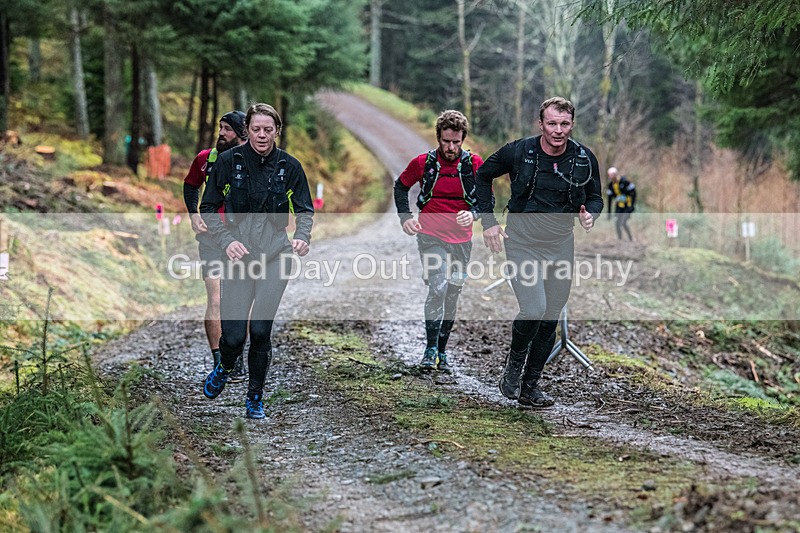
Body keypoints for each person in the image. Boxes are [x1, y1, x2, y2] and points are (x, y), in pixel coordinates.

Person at [475, 96, 603, 408]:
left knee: (550, 319)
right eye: (552, 124)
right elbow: (482, 176)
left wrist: (591, 214)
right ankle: (514, 366)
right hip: (522, 242)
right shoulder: (519, 151)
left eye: (564, 124)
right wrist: (488, 223)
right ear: (541, 124)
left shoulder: (584, 158)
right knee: (534, 308)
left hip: (560, 244)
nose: (558, 130)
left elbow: (596, 197)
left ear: (572, 124)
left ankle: (530, 386)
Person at [199, 103, 314, 419]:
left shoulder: (290, 166)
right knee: (234, 338)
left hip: (276, 256)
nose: (262, 135)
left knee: (261, 330)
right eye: (256, 129)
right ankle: (225, 365)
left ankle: (255, 398)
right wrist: (227, 241)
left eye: (268, 129)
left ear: (277, 131)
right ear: (247, 130)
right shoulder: (228, 162)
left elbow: (305, 209)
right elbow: (208, 207)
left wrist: (303, 236)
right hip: (239, 257)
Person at [394, 110, 484, 373]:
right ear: (438, 138)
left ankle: (442, 351)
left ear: (463, 139)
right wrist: (405, 218)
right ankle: (430, 349)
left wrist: (474, 213)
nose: (451, 147)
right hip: (430, 236)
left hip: (462, 240)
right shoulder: (423, 163)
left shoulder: (474, 164)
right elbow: (400, 186)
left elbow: (486, 199)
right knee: (438, 287)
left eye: (456, 142)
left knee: (453, 292)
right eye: (446, 141)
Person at [183, 111, 248, 381]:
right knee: (216, 299)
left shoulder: (252, 161)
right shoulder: (205, 159)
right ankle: (220, 361)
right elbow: (190, 185)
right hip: (211, 238)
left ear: (242, 133)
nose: (221, 133)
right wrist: (193, 214)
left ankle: (237, 356)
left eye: (227, 129)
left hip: (242, 240)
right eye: (220, 127)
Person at [605, 166, 636, 240]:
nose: (612, 177)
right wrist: (609, 213)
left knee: (623, 222)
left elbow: (634, 193)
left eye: (613, 175)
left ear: (616, 174)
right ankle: (620, 240)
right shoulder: (610, 186)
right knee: (617, 223)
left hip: (627, 206)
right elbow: (609, 200)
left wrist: (632, 205)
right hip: (619, 206)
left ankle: (631, 238)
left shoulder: (625, 181)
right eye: (610, 175)